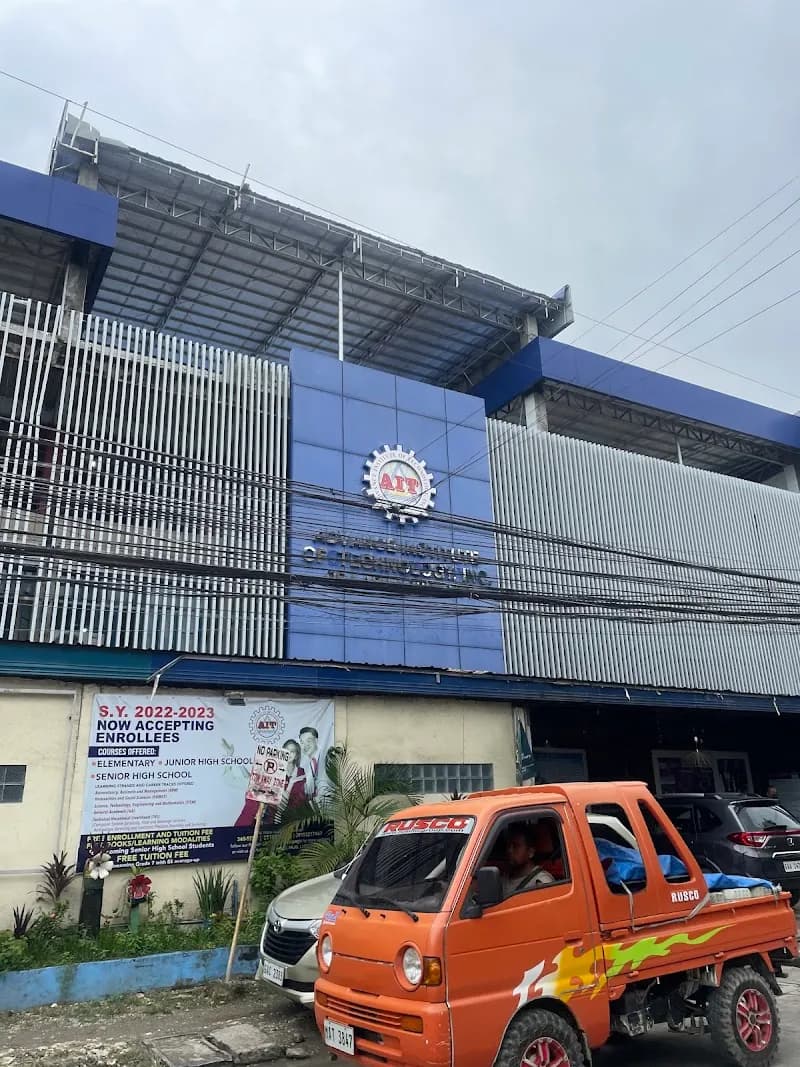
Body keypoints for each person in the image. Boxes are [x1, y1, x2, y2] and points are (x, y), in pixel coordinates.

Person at [501, 824, 555, 897]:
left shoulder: (541, 882)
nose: (509, 850)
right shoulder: (503, 877)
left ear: (530, 852)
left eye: (516, 846)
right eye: (508, 845)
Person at [299, 725, 320, 799]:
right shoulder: (307, 763)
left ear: (316, 740)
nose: (305, 745)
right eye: (302, 742)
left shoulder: (325, 757)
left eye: (308, 741)